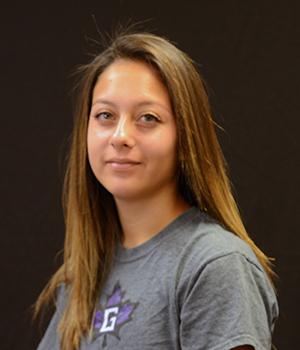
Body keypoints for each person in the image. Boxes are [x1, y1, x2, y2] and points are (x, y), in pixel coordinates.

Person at [35, 30, 279, 350]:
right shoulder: (81, 276)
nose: (120, 135)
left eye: (148, 118)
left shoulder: (215, 264)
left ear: (185, 137)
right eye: (105, 115)